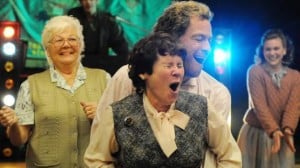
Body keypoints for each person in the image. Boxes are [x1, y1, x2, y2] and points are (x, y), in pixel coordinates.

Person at [86, 1, 232, 167]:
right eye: (199, 39)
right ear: (171, 39)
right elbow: (98, 153)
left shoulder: (215, 93)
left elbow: (223, 157)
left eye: (209, 40)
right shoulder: (126, 77)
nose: (207, 48)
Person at [0, 15, 111, 167]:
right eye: (58, 40)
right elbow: (19, 139)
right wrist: (13, 124)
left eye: (72, 39)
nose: (66, 45)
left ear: (81, 45)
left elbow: (119, 133)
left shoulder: (104, 79)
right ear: (47, 49)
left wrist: (103, 116)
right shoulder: (30, 85)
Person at [237, 29, 300, 168]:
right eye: (268, 49)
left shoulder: (295, 76)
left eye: (276, 48)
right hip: (256, 135)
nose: (272, 53)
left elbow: (294, 106)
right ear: (263, 51)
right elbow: (259, 106)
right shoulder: (255, 71)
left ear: (284, 50)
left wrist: (288, 130)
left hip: (283, 137)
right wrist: (274, 131)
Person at [68, 0, 129, 75]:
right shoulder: (73, 17)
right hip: (80, 62)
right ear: (80, 2)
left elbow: (121, 47)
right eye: (84, 0)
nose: (88, 3)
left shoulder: (107, 19)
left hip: (101, 64)